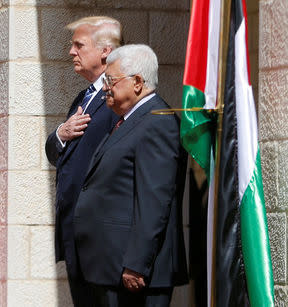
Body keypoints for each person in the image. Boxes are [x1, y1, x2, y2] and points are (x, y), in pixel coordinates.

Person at [73, 44, 189, 307]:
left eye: (110, 81)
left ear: (137, 82)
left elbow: (154, 200)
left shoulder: (157, 122)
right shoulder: (131, 120)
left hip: (134, 275)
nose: (104, 88)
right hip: (111, 269)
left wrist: (136, 264)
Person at [45, 16, 122, 306]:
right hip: (75, 233)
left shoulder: (118, 96)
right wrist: (60, 134)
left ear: (105, 50)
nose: (71, 52)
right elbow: (55, 152)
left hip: (101, 237)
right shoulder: (83, 96)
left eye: (79, 45)